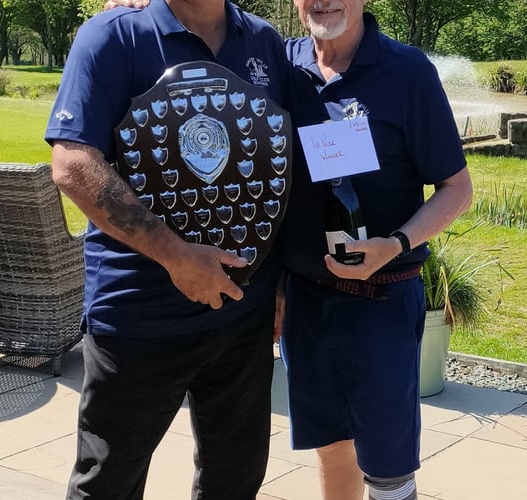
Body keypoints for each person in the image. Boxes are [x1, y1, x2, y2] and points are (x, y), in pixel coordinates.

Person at [107, 1, 472, 498]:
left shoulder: (407, 72)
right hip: (306, 302)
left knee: (388, 471)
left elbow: (457, 188)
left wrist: (397, 243)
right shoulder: (279, 64)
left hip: (381, 299)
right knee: (332, 449)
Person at [44, 1, 297, 498]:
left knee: (235, 477)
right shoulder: (114, 35)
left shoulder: (263, 41)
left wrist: (282, 281)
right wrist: (177, 256)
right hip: (140, 316)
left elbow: (280, 163)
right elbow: (73, 164)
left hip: (244, 313)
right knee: (108, 483)